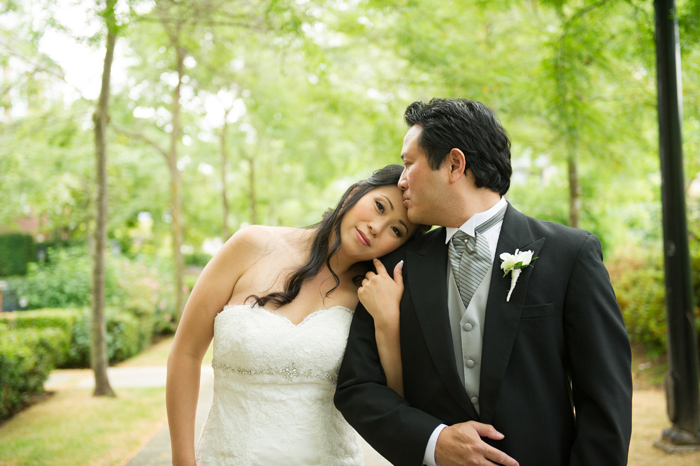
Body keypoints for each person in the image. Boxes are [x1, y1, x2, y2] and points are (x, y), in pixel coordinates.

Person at [335, 98, 633, 466]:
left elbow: (605, 399)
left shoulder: (569, 255)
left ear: (455, 165)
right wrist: (434, 442)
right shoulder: (395, 267)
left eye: (410, 163)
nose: (401, 179)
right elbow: (357, 388)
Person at [166, 164, 429, 466]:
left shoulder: (376, 296)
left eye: (396, 230)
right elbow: (185, 354)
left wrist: (388, 321)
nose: (377, 228)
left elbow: (395, 401)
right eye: (379, 206)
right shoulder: (251, 246)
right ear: (354, 194)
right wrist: (182, 461)